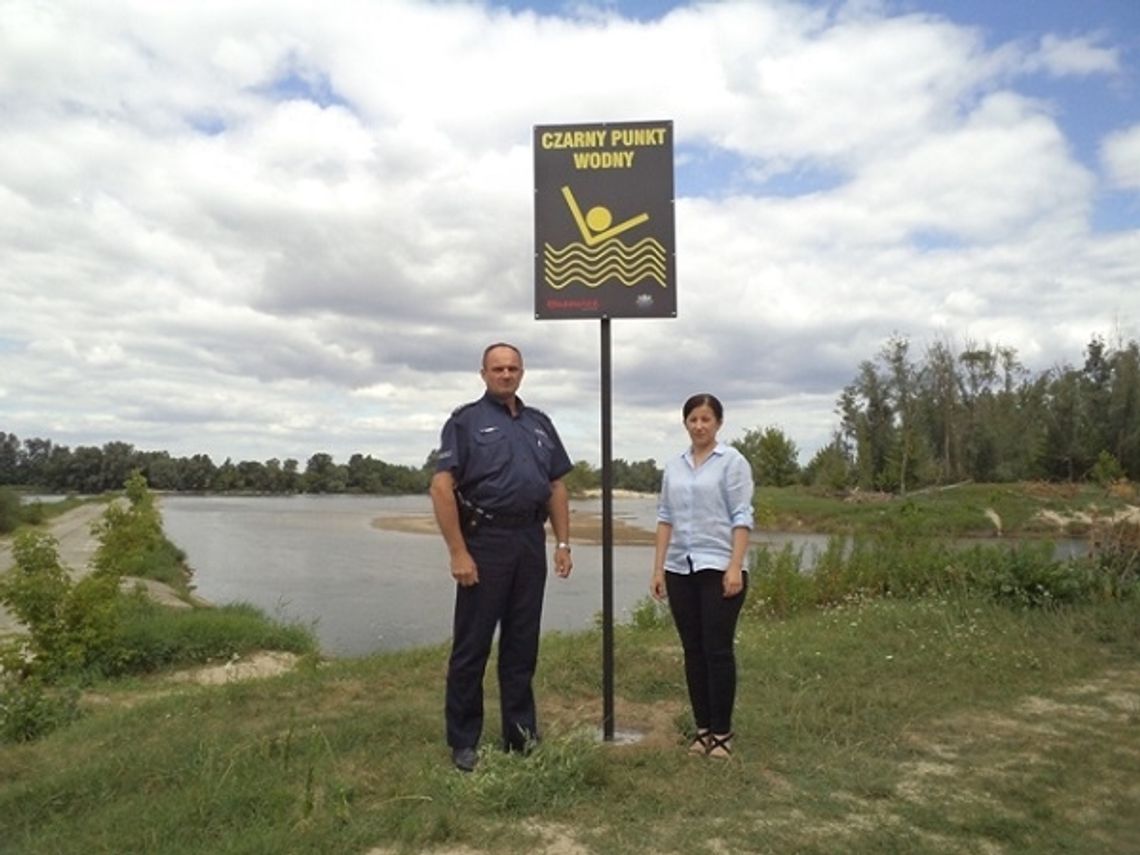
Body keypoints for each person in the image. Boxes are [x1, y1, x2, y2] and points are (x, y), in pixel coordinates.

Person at [429, 342, 574, 772]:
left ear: (522, 372)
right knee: (472, 648)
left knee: (521, 646)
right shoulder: (465, 422)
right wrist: (458, 551)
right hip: (485, 541)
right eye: (498, 369)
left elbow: (557, 487)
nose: (506, 375)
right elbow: (441, 488)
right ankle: (463, 740)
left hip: (530, 540)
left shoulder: (540, 424)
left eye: (512, 368)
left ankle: (520, 736)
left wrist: (562, 543)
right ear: (483, 373)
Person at [650, 393, 754, 759]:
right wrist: (659, 567)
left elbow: (742, 516)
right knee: (693, 651)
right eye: (693, 419)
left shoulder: (733, 463)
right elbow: (665, 517)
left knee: (717, 650)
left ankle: (723, 734)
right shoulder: (674, 466)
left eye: (706, 419)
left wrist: (734, 566)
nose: (699, 426)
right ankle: (702, 728)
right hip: (681, 567)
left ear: (718, 424)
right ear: (686, 424)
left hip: (719, 567)